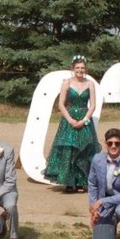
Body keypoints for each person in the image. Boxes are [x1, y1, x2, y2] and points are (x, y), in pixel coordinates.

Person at [44, 55, 100, 193]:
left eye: (82, 68)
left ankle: (82, 181)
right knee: (68, 149)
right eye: (77, 68)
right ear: (72, 68)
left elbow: (92, 105)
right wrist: (71, 120)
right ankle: (68, 181)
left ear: (85, 69)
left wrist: (84, 120)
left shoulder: (90, 84)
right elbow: (61, 104)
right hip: (69, 119)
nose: (80, 70)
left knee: (84, 149)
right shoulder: (66, 83)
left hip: (84, 118)